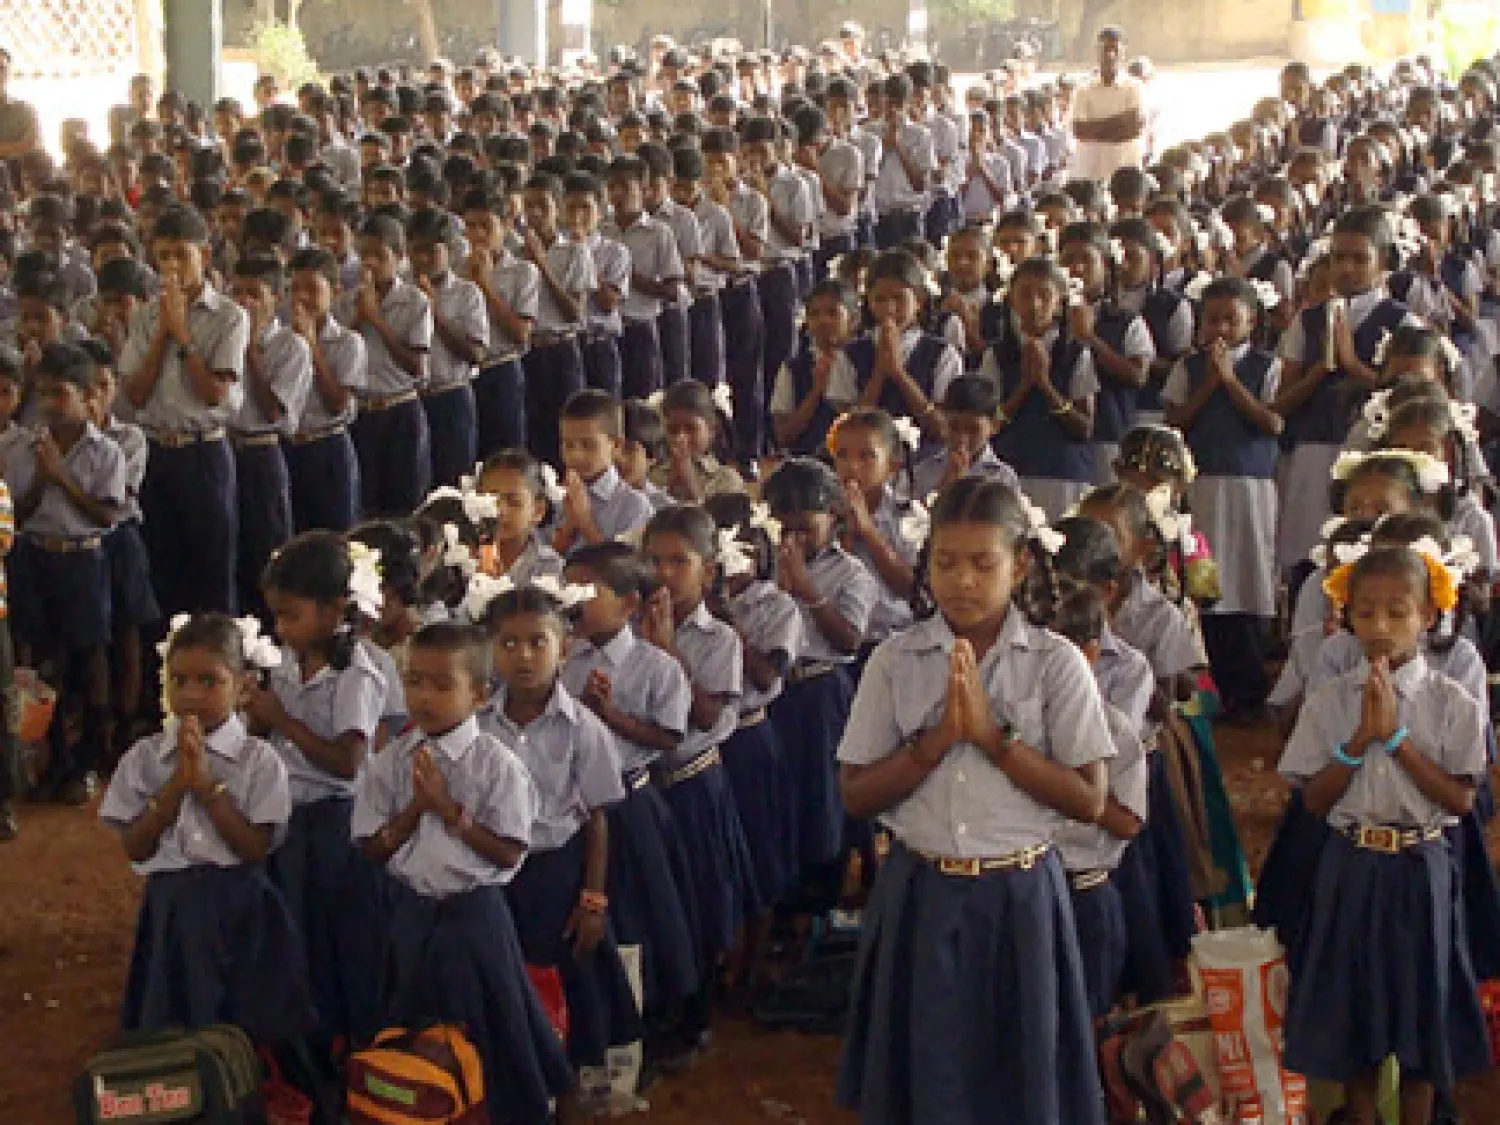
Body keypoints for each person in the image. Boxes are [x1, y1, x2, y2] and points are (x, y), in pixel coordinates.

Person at [836, 477, 1111, 1125]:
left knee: (1018, 1082)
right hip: (921, 891)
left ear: (1019, 565)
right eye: (946, 563)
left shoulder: (1055, 663)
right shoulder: (896, 660)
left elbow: (1090, 797)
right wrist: (935, 743)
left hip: (1019, 894)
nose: (962, 581)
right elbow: (855, 792)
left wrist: (992, 737)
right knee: (929, 1080)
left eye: (984, 564)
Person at [1280, 545, 1491, 1120]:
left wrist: (1395, 739)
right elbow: (1315, 803)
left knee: (1423, 1011)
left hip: (1422, 866)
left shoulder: (1455, 704)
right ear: (1346, 616)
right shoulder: (1328, 701)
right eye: (1365, 612)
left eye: (1398, 612)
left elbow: (1461, 798)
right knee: (1355, 1013)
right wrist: (1357, 745)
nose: (1379, 627)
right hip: (1351, 864)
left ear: (1429, 616)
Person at [353, 620, 577, 1123]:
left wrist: (450, 812)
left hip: (475, 919)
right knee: (408, 1034)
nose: (423, 697)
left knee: (495, 1034)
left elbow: (509, 853)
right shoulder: (391, 761)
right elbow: (371, 847)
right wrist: (417, 808)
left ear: (478, 694)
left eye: (441, 685)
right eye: (414, 682)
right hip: (410, 913)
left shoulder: (496, 765)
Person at [100, 613, 314, 1041]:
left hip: (240, 907)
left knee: (246, 1022)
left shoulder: (260, 761)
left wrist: (206, 786)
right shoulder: (145, 758)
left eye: (209, 681)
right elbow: (136, 848)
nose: (192, 695)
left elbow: (256, 847)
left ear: (243, 686)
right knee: (170, 1019)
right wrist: (177, 786)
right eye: (178, 681)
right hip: (171, 908)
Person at [475, 583, 643, 1083]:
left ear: (563, 648)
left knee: (566, 990)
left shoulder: (582, 728)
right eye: (507, 644)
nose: (523, 657)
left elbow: (596, 816)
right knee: (508, 986)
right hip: (496, 873)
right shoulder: (479, 725)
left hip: (557, 875)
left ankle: (566, 1090)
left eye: (537, 643)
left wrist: (592, 898)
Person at [558, 541, 701, 1063]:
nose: (574, 602)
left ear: (627, 604)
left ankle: (657, 1020)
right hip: (580, 811)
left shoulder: (655, 666)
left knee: (647, 916)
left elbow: (670, 738)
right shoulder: (566, 659)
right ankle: (605, 1022)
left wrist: (609, 716)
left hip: (632, 805)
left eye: (587, 592)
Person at [247, 531, 389, 1049]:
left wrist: (279, 718)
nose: (280, 628)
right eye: (276, 617)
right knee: (294, 938)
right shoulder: (285, 661)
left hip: (336, 825)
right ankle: (304, 1042)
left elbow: (348, 763)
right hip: (290, 818)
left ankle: (351, 1045)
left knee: (340, 943)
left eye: (290, 615)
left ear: (334, 611)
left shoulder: (357, 674)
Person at [639, 506, 761, 1042]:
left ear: (708, 571)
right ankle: (661, 1004)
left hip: (694, 784)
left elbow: (708, 714)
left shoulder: (719, 640)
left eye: (679, 562)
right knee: (658, 904)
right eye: (654, 561)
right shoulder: (627, 626)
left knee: (702, 900)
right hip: (648, 789)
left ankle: (697, 1011)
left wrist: (667, 652)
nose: (664, 573)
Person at [8, 343, 125, 802]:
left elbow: (105, 517)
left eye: (61, 394)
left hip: (82, 557)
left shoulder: (106, 452)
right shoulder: (22, 447)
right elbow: (16, 514)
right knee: (43, 659)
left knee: (90, 657)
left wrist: (61, 476)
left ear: (86, 396)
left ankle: (88, 761)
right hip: (36, 555)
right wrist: (41, 476)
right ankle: (53, 757)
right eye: (43, 395)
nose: (51, 405)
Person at [118, 205, 248, 617]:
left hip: (203, 454)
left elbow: (213, 393)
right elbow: (135, 394)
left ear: (204, 257)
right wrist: (162, 332)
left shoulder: (229, 316)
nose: (172, 266)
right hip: (157, 450)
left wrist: (183, 334)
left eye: (181, 254)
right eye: (163, 257)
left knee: (211, 571)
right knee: (163, 570)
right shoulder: (144, 317)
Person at [1163, 277, 1284, 719]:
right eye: (1212, 319)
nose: (1220, 328)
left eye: (1230, 320)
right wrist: (1209, 384)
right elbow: (1175, 423)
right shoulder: (1187, 369)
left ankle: (1248, 691)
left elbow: (1272, 422)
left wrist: (1230, 381)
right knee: (1205, 582)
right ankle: (1209, 687)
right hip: (1202, 487)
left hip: (1249, 488)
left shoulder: (1267, 366)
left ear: (1251, 322)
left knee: (1247, 582)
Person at [763, 457, 878, 901]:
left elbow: (849, 639)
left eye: (804, 529)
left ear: (832, 517)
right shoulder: (757, 561)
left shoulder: (850, 573)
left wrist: (807, 590)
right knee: (781, 798)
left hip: (820, 689)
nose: (792, 540)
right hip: (774, 689)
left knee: (822, 798)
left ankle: (824, 894)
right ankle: (784, 899)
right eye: (783, 529)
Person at [227, 255, 311, 621]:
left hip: (263, 454)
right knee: (230, 554)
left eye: (254, 294)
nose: (245, 303)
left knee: (267, 554)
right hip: (227, 453)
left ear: (275, 298)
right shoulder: (222, 337)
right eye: (238, 294)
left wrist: (247, 351)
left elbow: (273, 411)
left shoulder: (291, 347)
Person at [983, 257, 1099, 519]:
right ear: (1011, 299)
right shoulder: (997, 355)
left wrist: (1045, 385)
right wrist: (1025, 384)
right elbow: (991, 422)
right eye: (1024, 295)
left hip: (1064, 473)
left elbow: (1085, 427)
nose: (1034, 304)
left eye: (1044, 295)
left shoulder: (1076, 354)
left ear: (1059, 303)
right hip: (1011, 470)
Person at [285, 247, 365, 534]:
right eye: (294, 288)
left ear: (335, 290)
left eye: (312, 289)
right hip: (288, 448)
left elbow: (337, 404)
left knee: (334, 539)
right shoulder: (280, 341)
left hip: (327, 448)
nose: (301, 297)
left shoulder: (348, 342)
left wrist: (310, 345)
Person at [409, 208, 488, 488]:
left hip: (451, 396)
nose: (422, 260)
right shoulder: (403, 294)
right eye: (416, 251)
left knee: (453, 486)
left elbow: (475, 354)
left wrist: (435, 312)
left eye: (431, 252)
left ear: (449, 250)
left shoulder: (467, 293)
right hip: (413, 401)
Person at [553, 390, 655, 551]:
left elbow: (622, 570)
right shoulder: (560, 498)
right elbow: (549, 560)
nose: (575, 455)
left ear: (616, 445)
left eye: (588, 445)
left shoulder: (634, 505)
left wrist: (585, 521)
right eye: (568, 445)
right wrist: (569, 526)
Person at [472, 449, 565, 585]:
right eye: (491, 500)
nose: (501, 510)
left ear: (538, 510)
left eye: (514, 502)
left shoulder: (549, 567)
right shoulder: (463, 556)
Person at [1068, 27, 1145, 184]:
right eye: (1105, 49)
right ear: (1097, 51)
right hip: (1091, 172)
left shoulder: (1134, 87)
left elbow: (1134, 128)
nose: (1110, 55)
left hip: (1125, 170)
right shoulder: (1083, 89)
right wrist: (1119, 124)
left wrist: (1095, 130)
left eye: (1115, 49)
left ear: (1123, 52)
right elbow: (1079, 131)